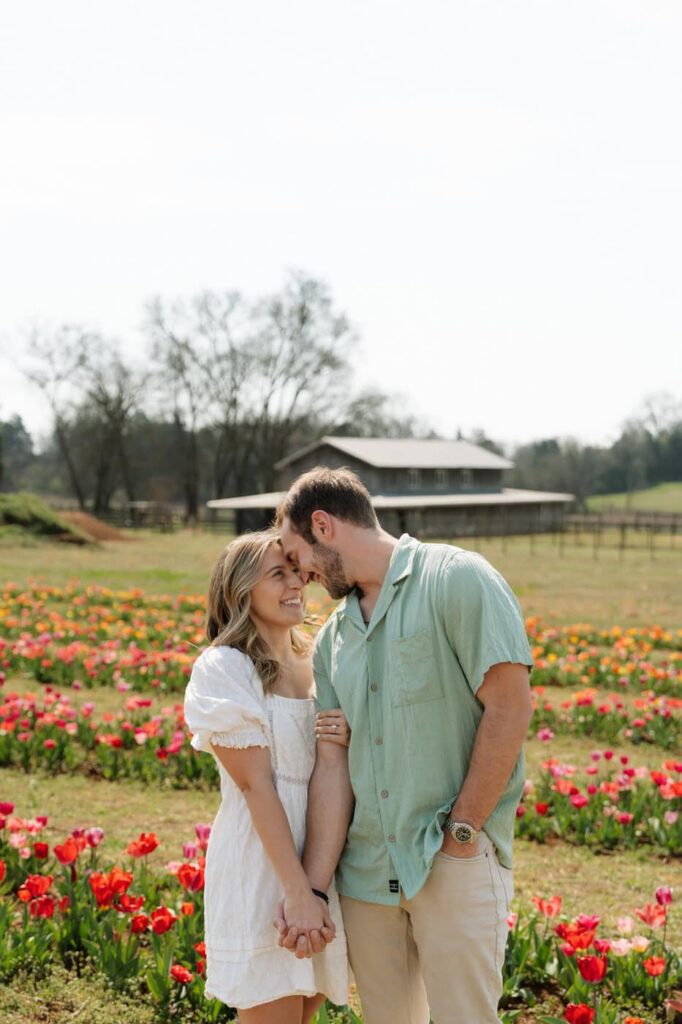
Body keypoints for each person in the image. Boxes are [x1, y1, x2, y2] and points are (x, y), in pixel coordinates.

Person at [276, 467, 534, 1024]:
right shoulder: (333, 639)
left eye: (301, 559)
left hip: (451, 860)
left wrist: (462, 833)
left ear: (323, 525)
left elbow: (510, 708)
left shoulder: (457, 579)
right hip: (368, 873)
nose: (305, 578)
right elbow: (333, 766)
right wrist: (316, 889)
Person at [183, 529, 351, 1024]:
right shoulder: (224, 668)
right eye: (277, 574)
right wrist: (297, 892)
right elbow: (257, 787)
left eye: (297, 571)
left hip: (322, 859)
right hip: (263, 865)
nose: (296, 582)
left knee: (302, 1015)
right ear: (240, 591)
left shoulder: (322, 660)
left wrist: (316, 887)